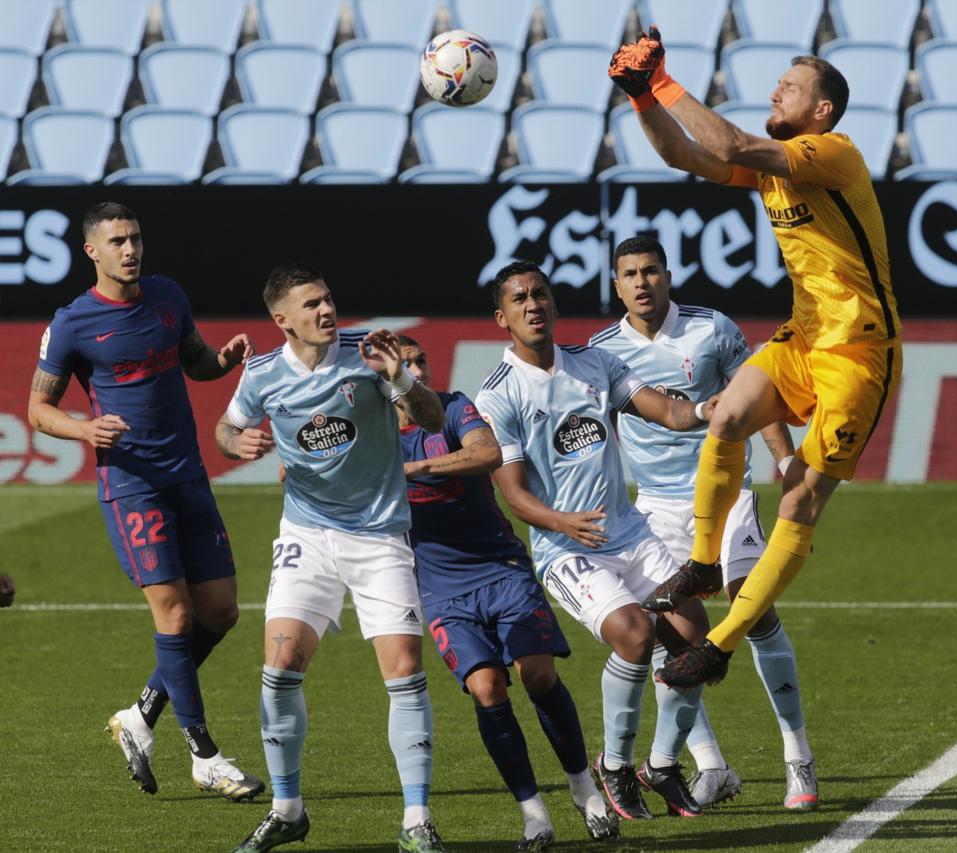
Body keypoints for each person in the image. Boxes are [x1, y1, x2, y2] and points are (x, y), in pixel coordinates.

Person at [606, 30, 902, 688]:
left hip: (858, 351)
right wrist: (639, 100)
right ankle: (706, 563)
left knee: (800, 500)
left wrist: (662, 81)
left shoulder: (831, 154)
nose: (775, 91)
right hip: (804, 335)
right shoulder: (775, 168)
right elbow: (689, 154)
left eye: (790, 86)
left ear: (821, 110)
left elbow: (732, 144)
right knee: (728, 416)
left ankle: (720, 642)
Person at [27, 202, 264, 801]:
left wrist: (223, 362)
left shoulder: (167, 297)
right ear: (92, 252)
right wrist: (84, 429)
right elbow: (37, 409)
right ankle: (205, 754)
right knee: (176, 615)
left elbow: (197, 364)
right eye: (117, 241)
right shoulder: (74, 323)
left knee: (220, 611)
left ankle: (139, 716)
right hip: (131, 484)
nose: (130, 249)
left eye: (135, 238)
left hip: (188, 476)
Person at [215, 263, 448, 853]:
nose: (326, 310)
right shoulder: (264, 375)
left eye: (328, 299)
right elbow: (226, 425)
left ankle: (417, 821)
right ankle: (287, 808)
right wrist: (236, 441)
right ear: (281, 320)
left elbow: (433, 419)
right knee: (280, 666)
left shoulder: (367, 355)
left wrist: (399, 377)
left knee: (403, 672)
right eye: (311, 304)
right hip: (308, 533)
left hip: (378, 536)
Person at [476, 260, 713, 822]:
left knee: (695, 638)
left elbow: (667, 410)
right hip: (567, 550)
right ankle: (614, 766)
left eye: (540, 294)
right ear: (501, 317)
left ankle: (658, 765)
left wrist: (708, 409)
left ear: (554, 304)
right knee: (633, 635)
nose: (532, 305)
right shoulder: (499, 395)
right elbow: (513, 494)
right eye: (519, 299)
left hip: (630, 532)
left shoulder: (596, 363)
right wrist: (563, 523)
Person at [590, 236, 817, 810]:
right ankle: (711, 766)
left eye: (650, 271)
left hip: (727, 492)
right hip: (657, 508)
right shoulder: (601, 352)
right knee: (673, 636)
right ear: (616, 285)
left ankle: (799, 759)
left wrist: (786, 463)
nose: (641, 282)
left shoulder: (711, 328)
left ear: (668, 276)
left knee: (753, 607)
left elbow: (758, 398)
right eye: (629, 274)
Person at [394, 336, 618, 849]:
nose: (415, 369)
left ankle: (584, 787)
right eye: (402, 365)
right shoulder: (376, 435)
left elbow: (486, 453)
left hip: (502, 567)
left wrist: (414, 469)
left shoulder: (454, 408)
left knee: (538, 673)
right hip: (441, 587)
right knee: (487, 689)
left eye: (419, 359)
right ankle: (533, 814)